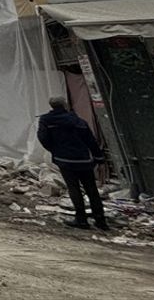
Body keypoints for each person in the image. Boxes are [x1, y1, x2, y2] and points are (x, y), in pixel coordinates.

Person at [37, 96, 107, 230]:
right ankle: (100, 220)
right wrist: (99, 158)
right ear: (65, 105)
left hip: (65, 161)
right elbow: (90, 140)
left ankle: (81, 219)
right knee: (91, 189)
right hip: (84, 160)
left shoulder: (46, 120)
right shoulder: (77, 120)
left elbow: (43, 138)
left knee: (74, 188)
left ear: (52, 106)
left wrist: (55, 150)